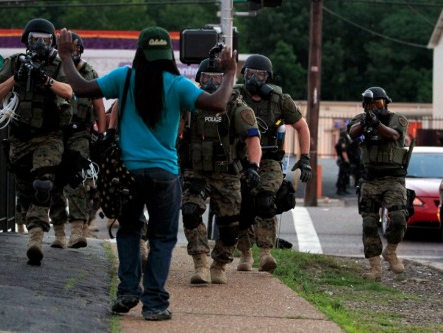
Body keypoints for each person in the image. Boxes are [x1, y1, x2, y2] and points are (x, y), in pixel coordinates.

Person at [57, 26, 239, 321]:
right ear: (168, 54)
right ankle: (154, 303)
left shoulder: (124, 78)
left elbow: (82, 88)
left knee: (129, 231)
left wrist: (65, 55)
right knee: (162, 238)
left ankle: (127, 291)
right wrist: (230, 73)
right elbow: (217, 104)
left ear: (140, 52)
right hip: (165, 174)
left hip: (127, 172)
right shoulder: (178, 84)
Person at [0, 18, 73, 265]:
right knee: (25, 193)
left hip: (49, 136)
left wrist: (45, 79)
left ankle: (36, 238)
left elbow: (69, 91)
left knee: (43, 184)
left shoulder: (57, 64)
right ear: (27, 40)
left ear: (52, 42)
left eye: (45, 40)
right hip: (20, 139)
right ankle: (33, 230)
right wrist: (16, 77)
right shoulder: (14, 62)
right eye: (35, 39)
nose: (40, 44)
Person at [180, 58, 262, 285]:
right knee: (190, 211)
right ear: (199, 79)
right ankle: (200, 262)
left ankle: (220, 264)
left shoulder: (237, 107)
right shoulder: (189, 105)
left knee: (229, 225)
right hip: (196, 172)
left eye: (218, 78)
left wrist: (254, 167)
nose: (212, 83)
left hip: (227, 174)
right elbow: (176, 133)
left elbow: (253, 140)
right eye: (207, 78)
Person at [233, 54, 312, 272]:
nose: (254, 79)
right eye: (250, 74)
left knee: (266, 201)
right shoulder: (236, 96)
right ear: (244, 75)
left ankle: (266, 253)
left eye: (260, 75)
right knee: (241, 205)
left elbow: (302, 127)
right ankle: (246, 252)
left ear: (268, 78)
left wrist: (305, 159)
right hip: (241, 159)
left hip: (269, 160)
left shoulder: (280, 99)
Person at [48, 32, 106, 249]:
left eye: (74, 49)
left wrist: (101, 136)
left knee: (78, 180)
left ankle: (78, 229)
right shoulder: (54, 69)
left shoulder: (89, 73)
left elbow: (99, 106)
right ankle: (59, 230)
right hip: (54, 133)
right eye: (67, 48)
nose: (71, 53)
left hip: (80, 132)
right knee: (53, 181)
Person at [347, 86, 409, 281]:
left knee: (398, 217)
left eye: (379, 104)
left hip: (393, 179)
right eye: (371, 105)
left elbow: (394, 135)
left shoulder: (397, 119)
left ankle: (390, 251)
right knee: (369, 223)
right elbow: (352, 133)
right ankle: (374, 268)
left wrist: (376, 123)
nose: (375, 108)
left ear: (386, 104)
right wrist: (366, 121)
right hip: (370, 179)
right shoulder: (361, 119)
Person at [335, 129, 351, 195]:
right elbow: (343, 152)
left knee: (345, 175)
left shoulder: (342, 141)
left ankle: (343, 189)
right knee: (342, 175)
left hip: (342, 160)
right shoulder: (342, 143)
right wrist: (347, 160)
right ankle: (339, 190)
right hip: (343, 161)